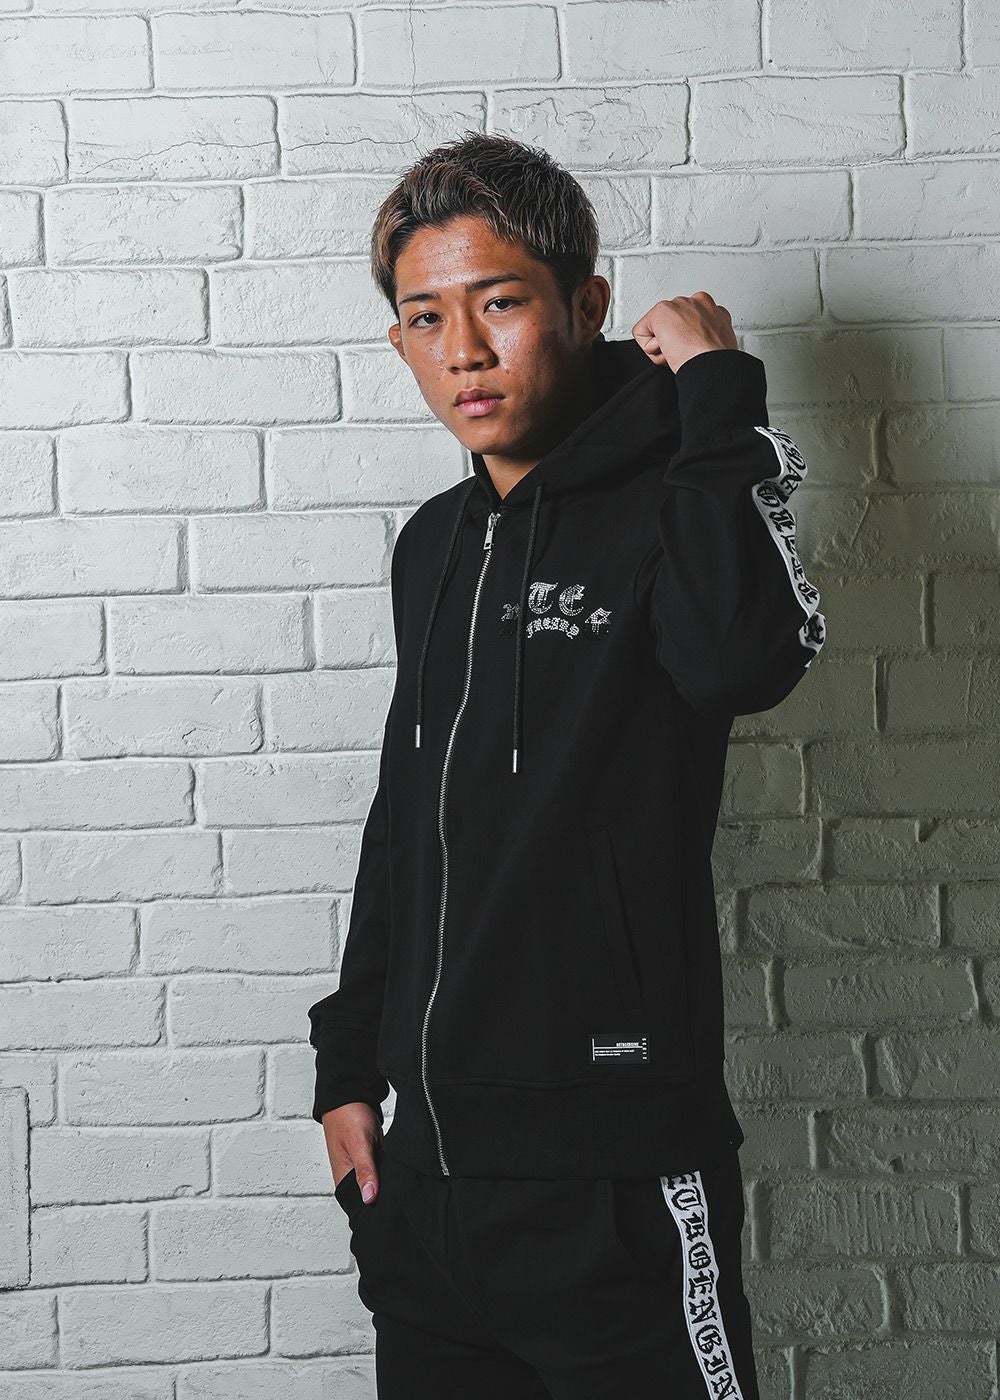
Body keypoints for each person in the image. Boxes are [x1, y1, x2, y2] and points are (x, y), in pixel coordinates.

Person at [306, 130, 826, 1399]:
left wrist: (716, 390)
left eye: (499, 303)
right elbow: (403, 819)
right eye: (425, 317)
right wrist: (345, 1068)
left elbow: (740, 658)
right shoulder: (432, 546)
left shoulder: (670, 509)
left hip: (616, 1180)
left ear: (584, 307)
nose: (463, 351)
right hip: (428, 1192)